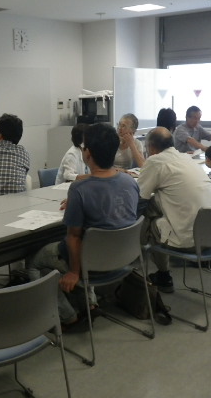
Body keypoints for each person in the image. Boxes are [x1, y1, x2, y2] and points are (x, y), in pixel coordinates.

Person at [27, 123, 139, 330]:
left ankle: (68, 317)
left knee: (33, 261)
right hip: (121, 259)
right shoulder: (130, 181)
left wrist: (74, 272)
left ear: (87, 154)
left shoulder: (79, 189)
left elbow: (74, 237)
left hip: (91, 264)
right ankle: (90, 304)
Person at [138, 127, 211, 292]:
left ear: (151, 147)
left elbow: (139, 198)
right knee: (158, 204)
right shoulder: (186, 158)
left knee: (147, 219)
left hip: (190, 240)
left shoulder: (155, 161)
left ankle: (163, 275)